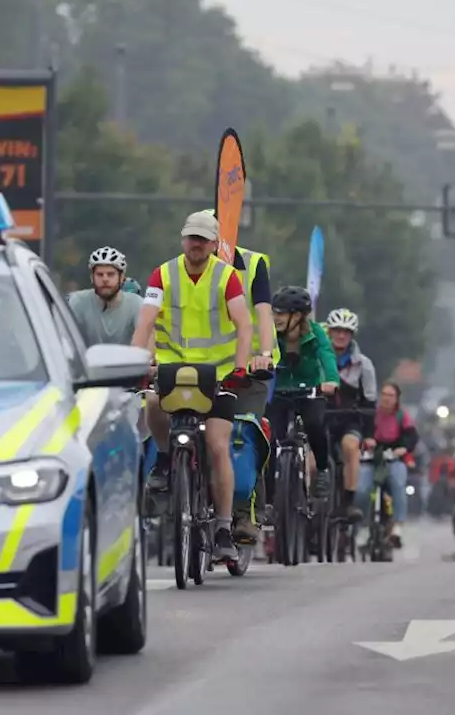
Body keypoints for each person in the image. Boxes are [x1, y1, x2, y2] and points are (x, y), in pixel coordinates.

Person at [132, 210, 255, 563]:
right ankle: (166, 460)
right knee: (152, 404)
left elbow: (244, 326)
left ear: (214, 244)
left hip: (218, 374)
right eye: (191, 238)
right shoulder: (162, 274)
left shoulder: (227, 278)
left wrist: (241, 367)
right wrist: (133, 360)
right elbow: (145, 323)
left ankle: (222, 527)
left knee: (218, 445)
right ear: (183, 240)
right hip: (173, 370)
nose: (196, 245)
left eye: (203, 239)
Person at [266, 286, 338, 502]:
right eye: (274, 312)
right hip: (278, 391)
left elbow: (326, 355)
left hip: (309, 390)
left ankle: (323, 470)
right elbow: (257, 351)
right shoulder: (269, 333)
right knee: (267, 438)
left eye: (281, 313)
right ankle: (267, 498)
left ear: (297, 316)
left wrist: (331, 380)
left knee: (314, 425)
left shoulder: (316, 333)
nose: (275, 317)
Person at [230, 241, 277, 542]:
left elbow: (263, 313)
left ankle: (246, 512)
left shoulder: (253, 263)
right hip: (201, 369)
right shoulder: (177, 271)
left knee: (242, 433)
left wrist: (265, 353)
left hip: (248, 369)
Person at [325, 307, 378, 520]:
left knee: (350, 447)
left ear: (351, 335)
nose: (340, 335)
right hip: (322, 418)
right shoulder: (318, 359)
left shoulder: (364, 365)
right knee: (310, 460)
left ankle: (348, 502)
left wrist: (370, 435)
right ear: (329, 332)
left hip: (350, 420)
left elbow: (370, 401)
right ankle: (309, 504)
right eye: (336, 330)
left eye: (345, 332)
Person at [360, 382, 419, 542]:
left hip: (393, 459)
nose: (386, 399)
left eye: (390, 395)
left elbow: (412, 437)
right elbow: (362, 432)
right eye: (384, 395)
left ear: (397, 399)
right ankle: (359, 526)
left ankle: (397, 525)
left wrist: (403, 448)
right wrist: (367, 440)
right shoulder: (371, 414)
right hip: (372, 459)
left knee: (398, 484)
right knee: (361, 488)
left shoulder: (403, 416)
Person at [66, 247, 143, 346]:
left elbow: (146, 340)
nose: (105, 279)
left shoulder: (137, 304)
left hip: (127, 360)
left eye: (110, 274)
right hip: (86, 360)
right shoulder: (77, 302)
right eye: (100, 274)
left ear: (122, 277)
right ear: (92, 277)